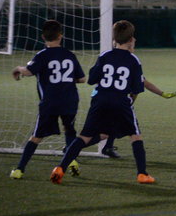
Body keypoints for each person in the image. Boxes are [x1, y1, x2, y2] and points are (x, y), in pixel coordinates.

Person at [50, 20, 155, 184]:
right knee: (135, 136)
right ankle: (142, 174)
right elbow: (136, 88)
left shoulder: (105, 56)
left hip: (100, 100)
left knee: (84, 137)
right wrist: (130, 100)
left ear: (114, 39)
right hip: (121, 100)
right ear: (130, 40)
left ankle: (60, 168)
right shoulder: (134, 60)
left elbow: (92, 79)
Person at [9, 20, 86, 179]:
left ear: (43, 37)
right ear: (60, 36)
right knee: (69, 130)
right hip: (70, 100)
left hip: (50, 102)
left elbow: (28, 71)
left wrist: (17, 69)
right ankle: (71, 161)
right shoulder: (69, 54)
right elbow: (82, 79)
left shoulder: (42, 55)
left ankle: (19, 169)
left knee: (36, 137)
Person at [99, 78, 176, 158]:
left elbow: (145, 83)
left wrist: (163, 94)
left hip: (111, 101)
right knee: (133, 131)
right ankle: (141, 165)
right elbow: (139, 87)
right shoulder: (132, 69)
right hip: (119, 104)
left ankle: (107, 147)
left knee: (115, 125)